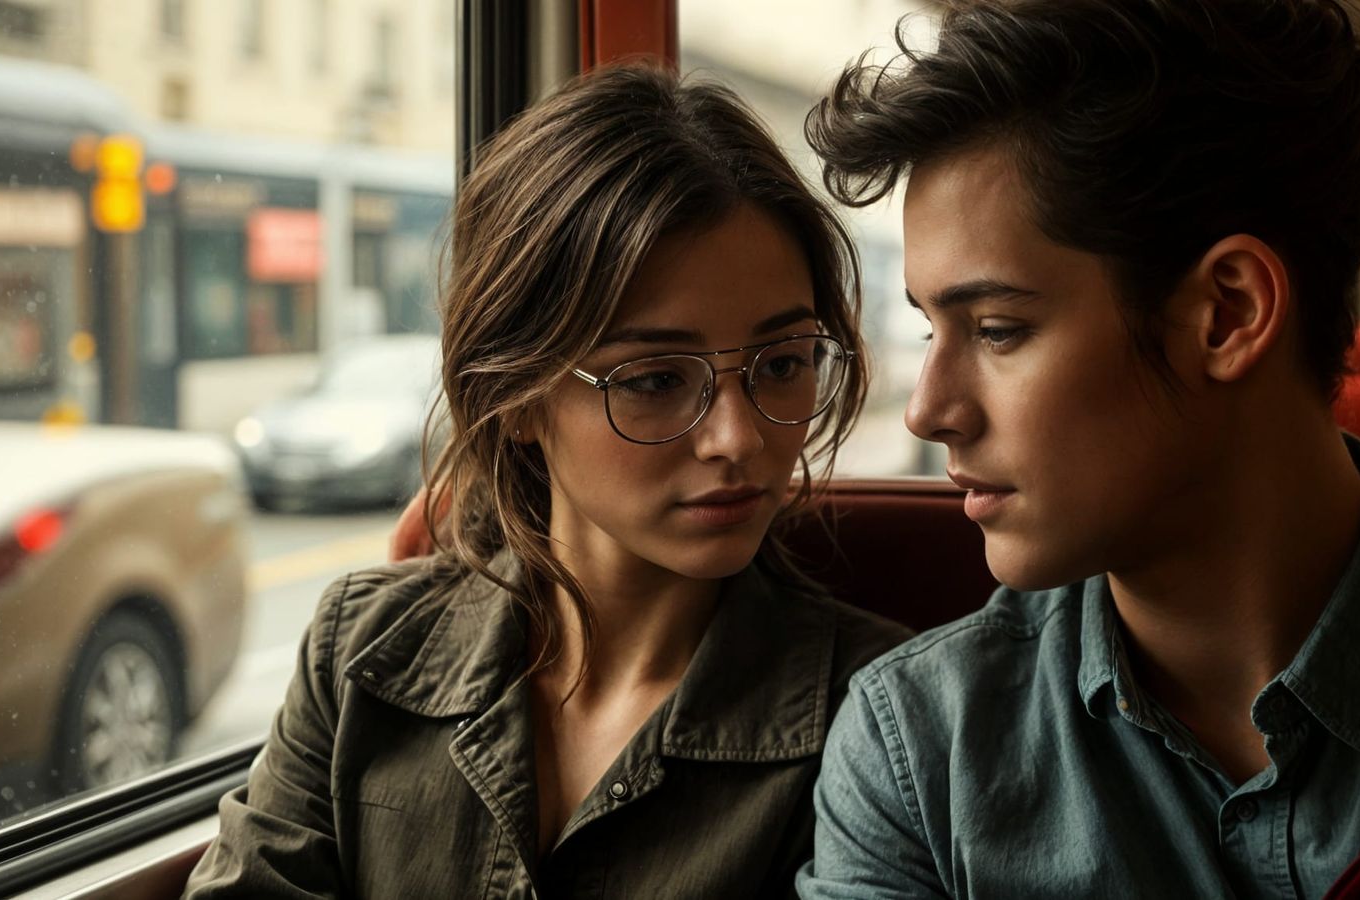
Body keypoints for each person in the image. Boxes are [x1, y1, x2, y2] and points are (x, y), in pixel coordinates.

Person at [792, 1, 1360, 897]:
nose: (928, 411)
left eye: (998, 329)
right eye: (930, 330)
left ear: (1227, 314)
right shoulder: (919, 756)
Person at [182, 64, 909, 899]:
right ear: (517, 397)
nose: (737, 437)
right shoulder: (361, 655)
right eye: (654, 380)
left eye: (782, 364)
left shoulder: (884, 716)